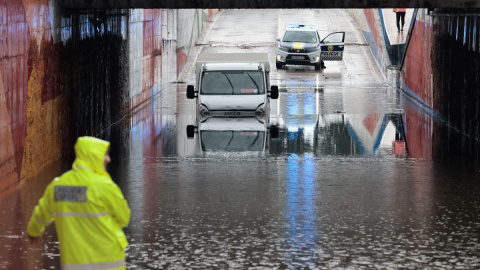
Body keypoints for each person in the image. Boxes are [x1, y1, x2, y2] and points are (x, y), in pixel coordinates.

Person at [27, 136, 131, 270]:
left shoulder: (58, 186)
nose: (108, 159)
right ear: (94, 156)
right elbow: (124, 218)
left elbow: (40, 214)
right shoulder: (105, 187)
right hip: (109, 261)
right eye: (105, 154)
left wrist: (33, 231)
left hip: (74, 263)